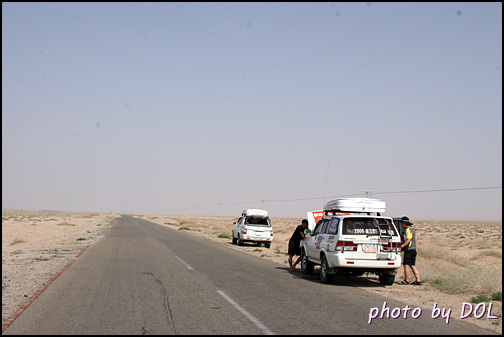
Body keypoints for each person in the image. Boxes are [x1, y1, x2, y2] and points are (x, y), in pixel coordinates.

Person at [399, 216, 422, 285]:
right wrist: (415, 248)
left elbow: (408, 240)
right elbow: (416, 240)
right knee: (412, 265)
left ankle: (406, 280)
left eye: (402, 223)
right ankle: (418, 280)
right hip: (413, 249)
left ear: (404, 224)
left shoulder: (408, 230)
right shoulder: (413, 230)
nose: (401, 225)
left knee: (406, 265)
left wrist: (402, 246)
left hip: (409, 250)